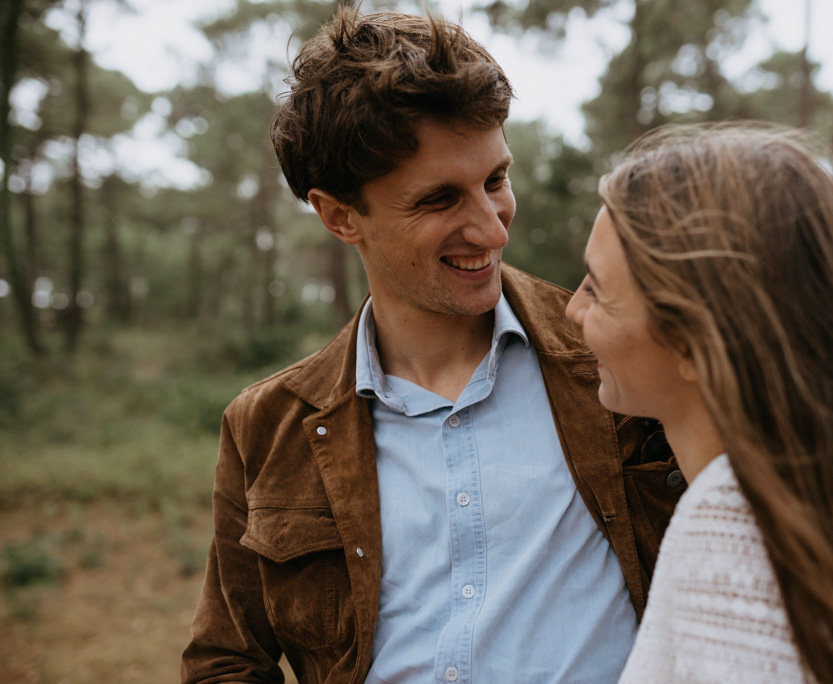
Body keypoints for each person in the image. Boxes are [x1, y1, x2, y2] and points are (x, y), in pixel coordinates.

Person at [180, 8, 684, 684]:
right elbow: (226, 660)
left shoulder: (616, 355)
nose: (492, 228)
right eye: (440, 200)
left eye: (496, 181)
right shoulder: (267, 427)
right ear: (339, 216)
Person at [566, 123, 833, 683]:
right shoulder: (824, 498)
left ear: (695, 339)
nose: (572, 310)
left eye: (597, 288)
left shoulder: (730, 523)